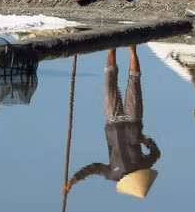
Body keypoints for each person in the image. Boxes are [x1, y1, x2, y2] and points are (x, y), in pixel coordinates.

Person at [64, 46, 161, 198]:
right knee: (134, 82)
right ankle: (132, 49)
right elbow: (156, 153)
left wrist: (73, 180)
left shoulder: (113, 175)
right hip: (133, 121)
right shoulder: (143, 166)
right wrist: (145, 140)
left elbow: (93, 168)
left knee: (110, 85)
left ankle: (111, 48)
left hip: (113, 122)